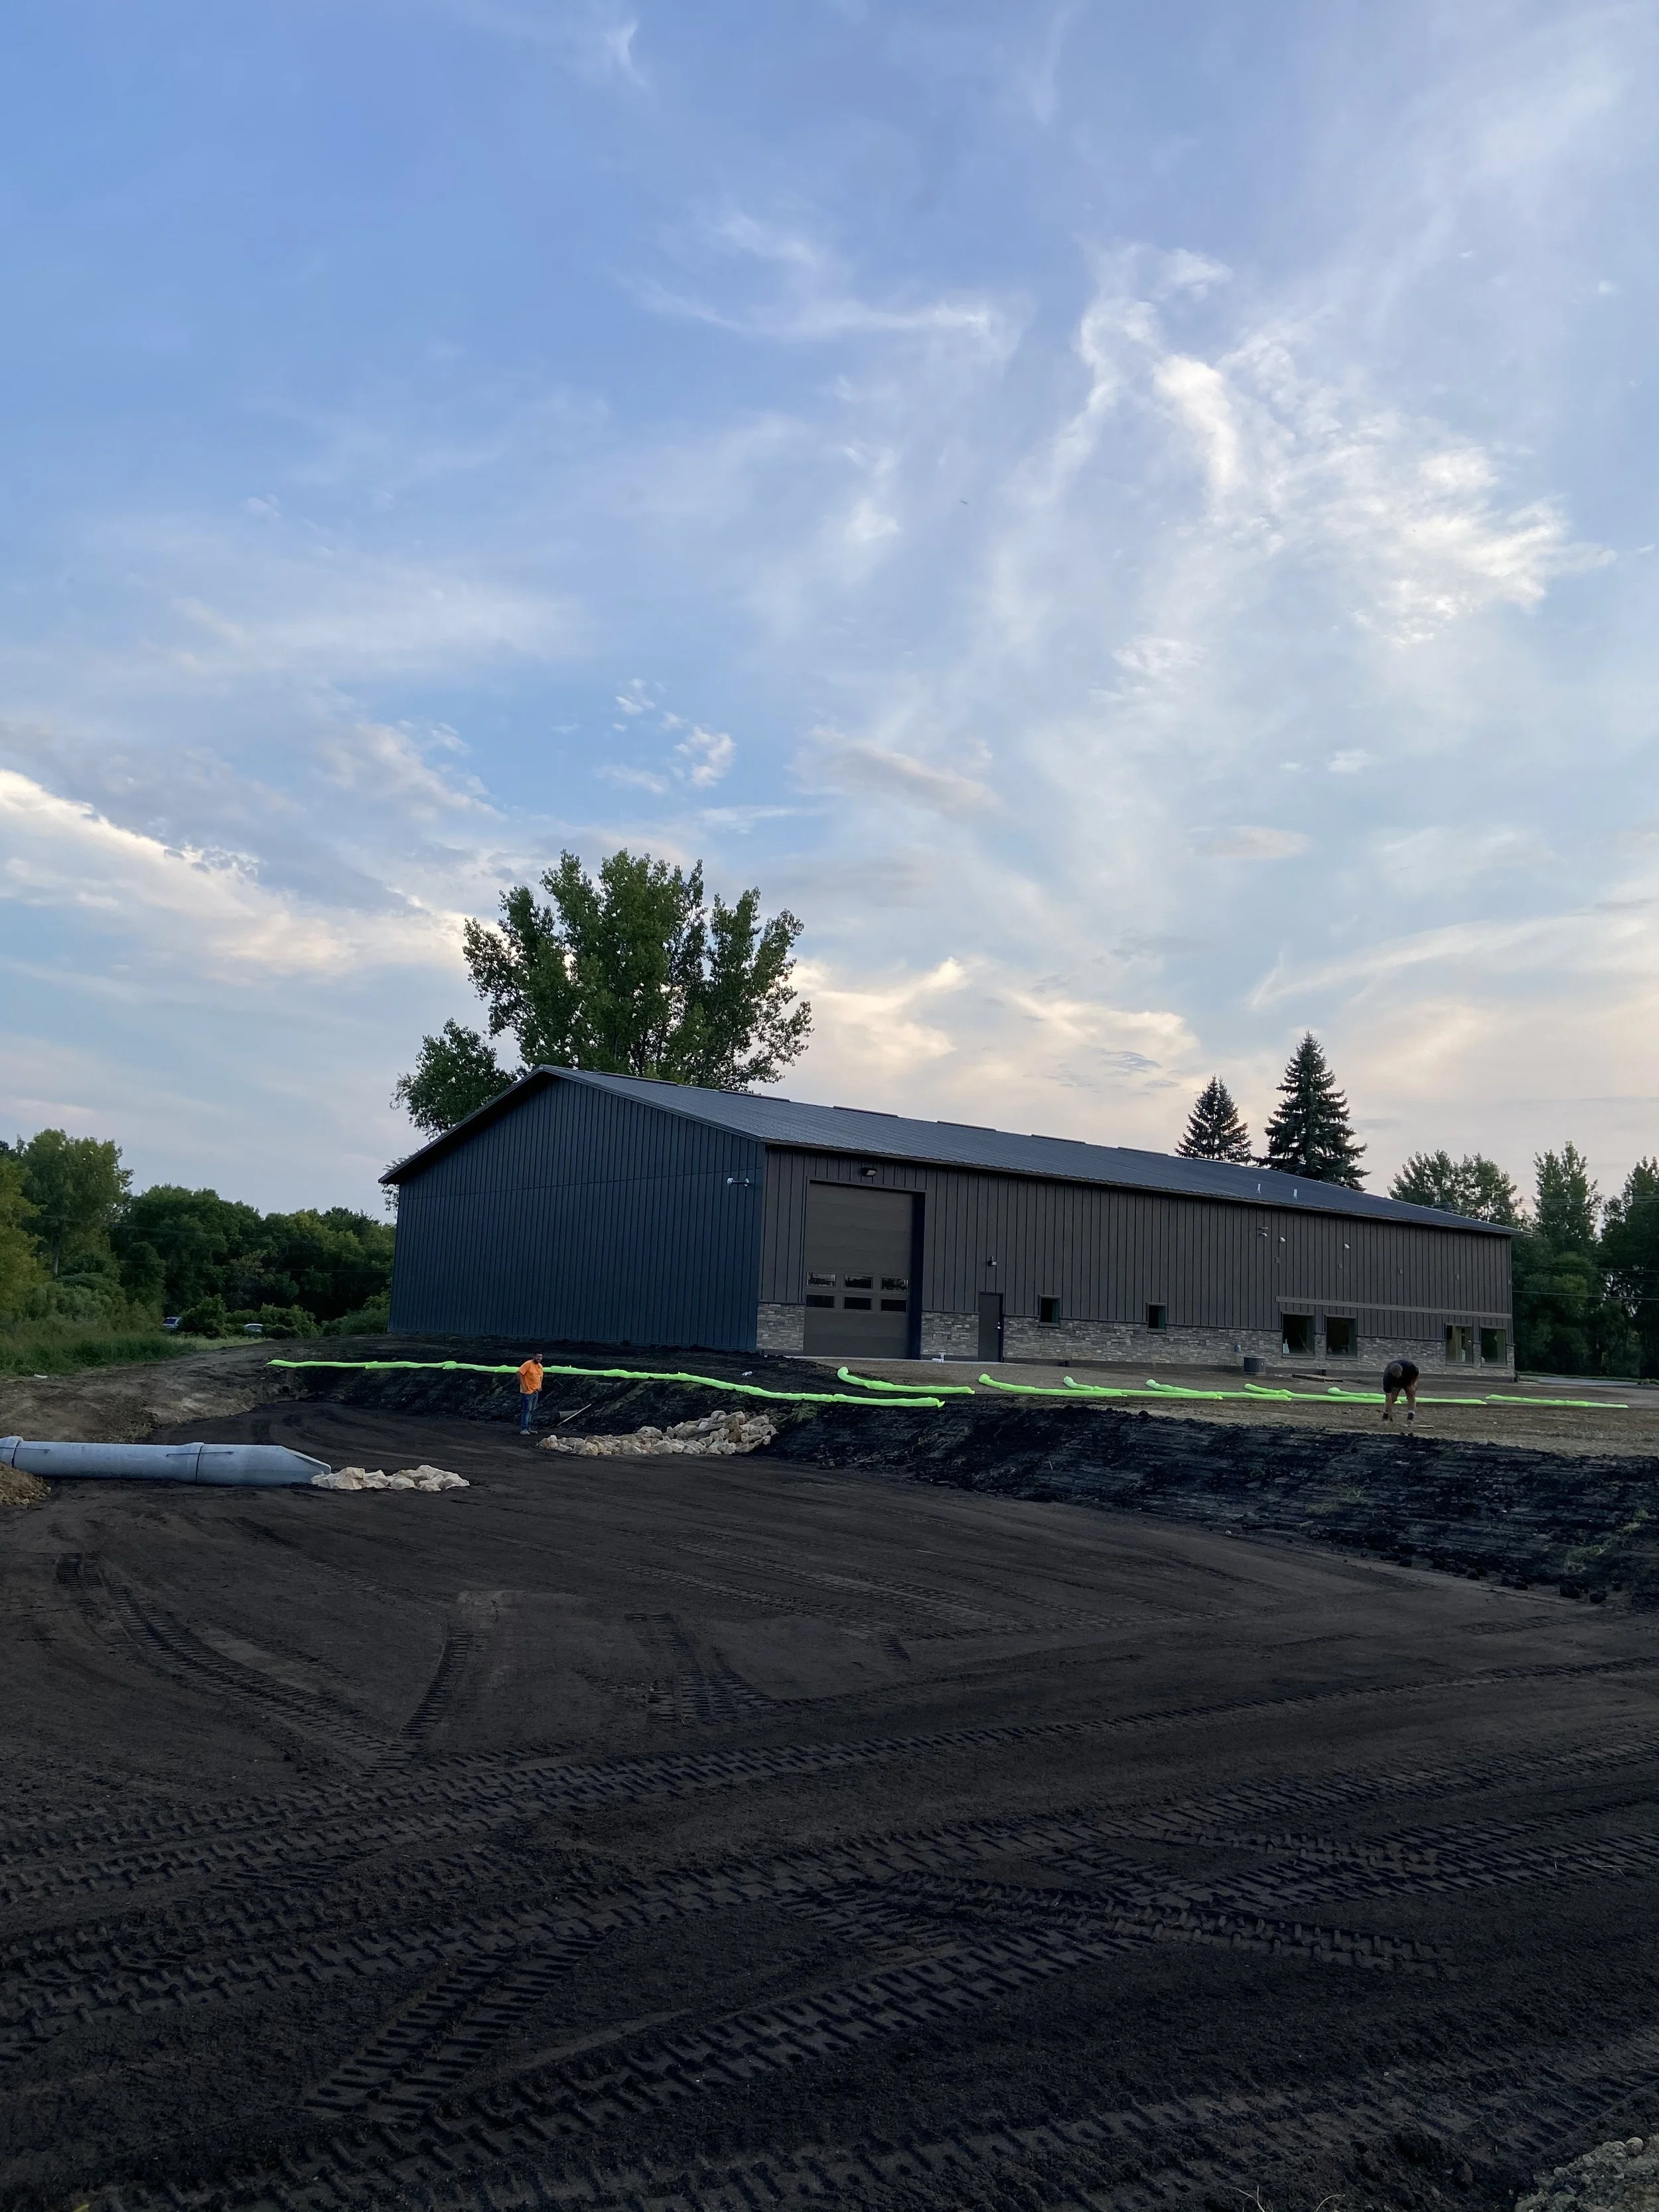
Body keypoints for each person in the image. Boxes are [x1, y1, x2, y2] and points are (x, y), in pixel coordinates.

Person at [1382, 1357, 1420, 1424]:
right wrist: (1391, 1414)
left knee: (1411, 1395)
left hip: (1408, 1380)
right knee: (1392, 1398)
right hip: (1395, 1384)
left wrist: (1413, 1384)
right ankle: (1386, 1415)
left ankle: (1410, 1418)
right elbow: (1388, 1397)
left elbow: (1417, 1374)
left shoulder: (1409, 1366)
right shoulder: (1387, 1377)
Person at [518, 1354, 545, 1434]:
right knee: (527, 1410)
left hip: (535, 1391)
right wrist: (523, 1385)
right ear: (534, 1357)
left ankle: (529, 1428)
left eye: (541, 1357)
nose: (539, 1358)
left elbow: (540, 1377)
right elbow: (519, 1373)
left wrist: (539, 1386)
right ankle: (524, 1429)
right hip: (527, 1392)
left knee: (532, 1410)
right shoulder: (528, 1364)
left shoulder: (540, 1366)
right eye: (538, 1357)